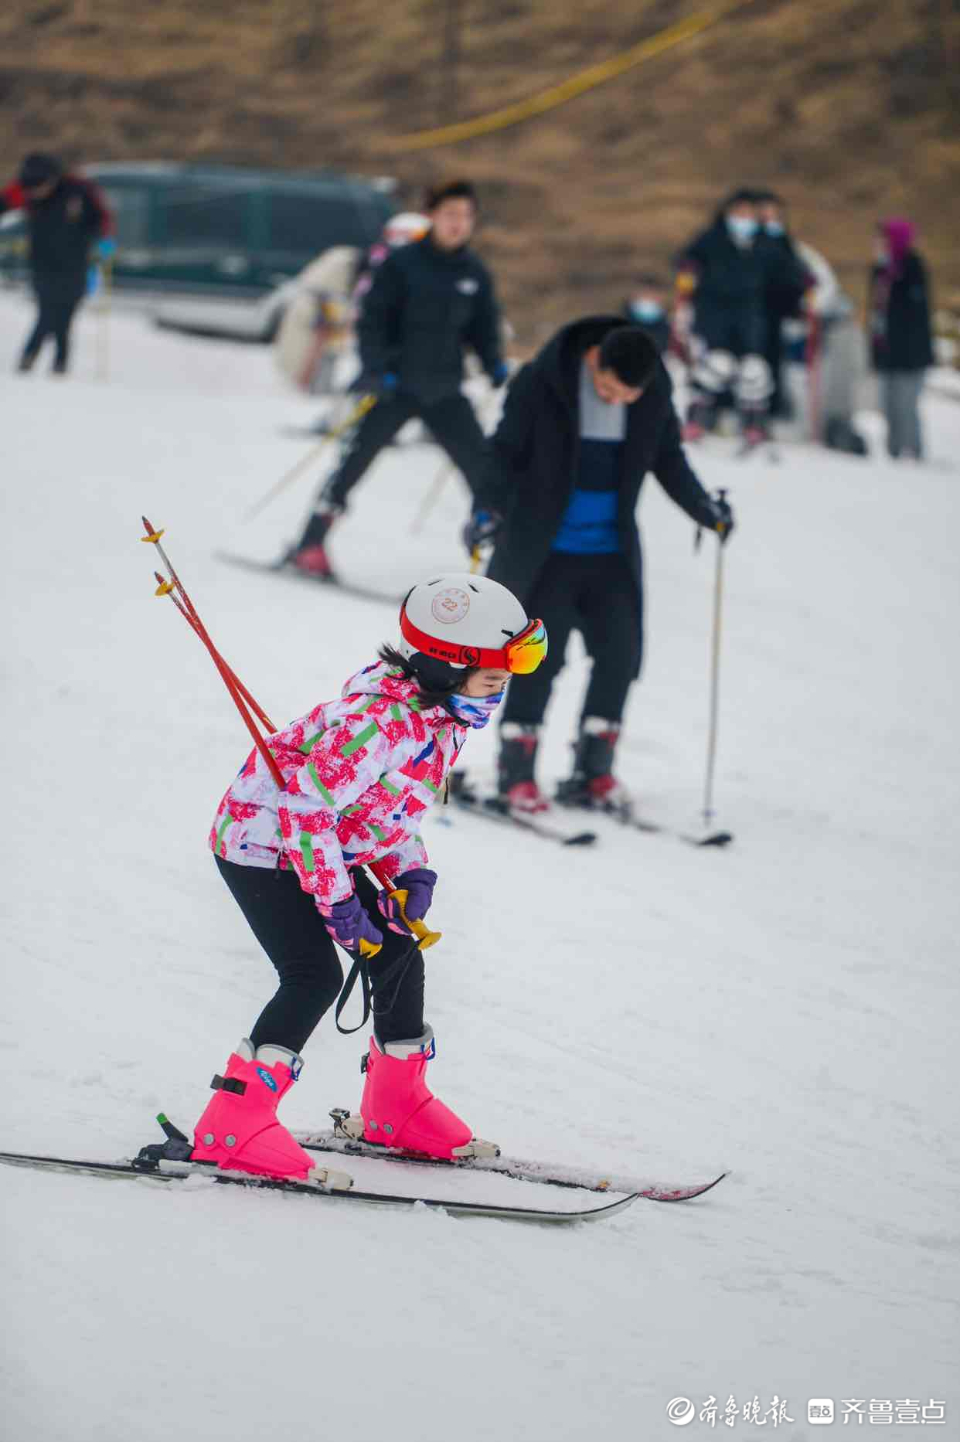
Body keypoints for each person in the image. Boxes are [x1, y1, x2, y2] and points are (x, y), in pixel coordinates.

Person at [189, 574, 546, 1183]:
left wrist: (411, 869)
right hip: (262, 843)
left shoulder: (439, 718)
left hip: (326, 844)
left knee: (399, 949)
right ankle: (232, 1123)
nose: (499, 695)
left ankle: (395, 1108)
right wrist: (337, 906)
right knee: (311, 976)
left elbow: (386, 808)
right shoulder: (379, 726)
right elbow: (305, 812)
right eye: (493, 680)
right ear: (445, 668)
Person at [463, 320, 733, 816]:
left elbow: (667, 456)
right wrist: (486, 509)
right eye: (609, 389)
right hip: (547, 552)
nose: (618, 401)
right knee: (541, 661)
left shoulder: (650, 390)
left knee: (621, 656)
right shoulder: (541, 382)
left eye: (629, 395)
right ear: (593, 361)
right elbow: (501, 453)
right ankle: (516, 772)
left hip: (611, 553)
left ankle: (595, 767)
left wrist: (702, 508)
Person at [289, 180, 509, 579]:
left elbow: (483, 327)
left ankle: (500, 558)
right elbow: (371, 320)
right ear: (432, 217)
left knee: (484, 471)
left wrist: (493, 362)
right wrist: (375, 369)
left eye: (465, 216)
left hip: (445, 391)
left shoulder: (474, 273)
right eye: (450, 215)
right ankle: (310, 545)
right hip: (394, 385)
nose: (458, 224)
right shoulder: (401, 263)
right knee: (353, 464)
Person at [675, 188, 775, 444]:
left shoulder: (766, 243)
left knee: (753, 368)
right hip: (713, 311)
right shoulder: (712, 238)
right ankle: (697, 420)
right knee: (717, 364)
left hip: (750, 314)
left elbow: (787, 271)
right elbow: (685, 257)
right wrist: (688, 268)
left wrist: (804, 284)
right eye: (738, 212)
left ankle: (754, 424)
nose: (743, 218)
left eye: (748, 213)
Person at [0, 152, 113, 374]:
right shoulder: (26, 188)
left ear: (53, 178)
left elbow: (103, 216)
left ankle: (53, 362)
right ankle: (36, 359)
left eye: (40, 186)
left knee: (65, 313)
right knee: (47, 311)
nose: (34, 191)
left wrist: (104, 239)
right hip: (42, 262)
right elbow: (4, 202)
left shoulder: (79, 190)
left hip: (75, 263)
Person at [868, 218, 934, 460]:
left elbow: (915, 315)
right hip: (886, 351)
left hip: (910, 354)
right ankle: (893, 450)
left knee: (906, 405)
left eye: (883, 239)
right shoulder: (879, 270)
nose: (877, 244)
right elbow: (875, 314)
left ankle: (913, 452)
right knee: (887, 405)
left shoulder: (912, 268)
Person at [753, 190, 810, 419]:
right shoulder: (752, 240)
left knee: (774, 361)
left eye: (774, 212)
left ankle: (773, 408)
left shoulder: (784, 241)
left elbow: (794, 272)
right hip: (753, 309)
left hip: (776, 311)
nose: (769, 216)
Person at [621, 275, 671, 354]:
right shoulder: (618, 333)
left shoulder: (673, 334)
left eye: (652, 297)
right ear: (632, 299)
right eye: (644, 296)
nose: (647, 301)